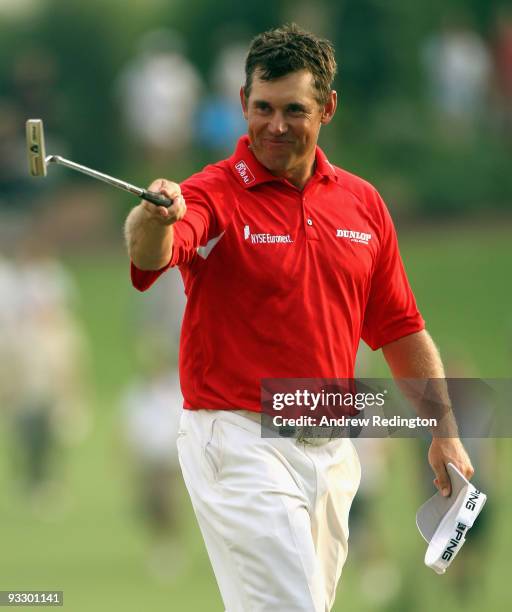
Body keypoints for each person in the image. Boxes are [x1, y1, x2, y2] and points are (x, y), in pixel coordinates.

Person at [125, 24, 474, 612]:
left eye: (294, 110)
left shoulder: (362, 203)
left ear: (328, 108)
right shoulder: (211, 193)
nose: (275, 126)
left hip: (332, 450)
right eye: (261, 108)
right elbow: (152, 252)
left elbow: (400, 329)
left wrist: (445, 428)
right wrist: (154, 216)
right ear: (242, 103)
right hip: (237, 440)